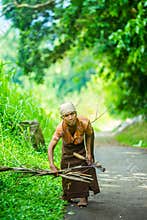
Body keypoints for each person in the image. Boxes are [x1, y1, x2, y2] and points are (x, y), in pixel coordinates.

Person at [48, 102, 100, 207]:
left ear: (76, 113)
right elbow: (51, 146)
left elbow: (90, 135)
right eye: (67, 115)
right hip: (67, 152)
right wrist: (52, 165)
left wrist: (90, 153)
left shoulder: (84, 123)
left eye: (72, 114)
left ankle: (83, 197)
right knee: (66, 170)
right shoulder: (60, 129)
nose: (71, 117)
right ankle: (68, 195)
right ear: (62, 117)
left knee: (84, 168)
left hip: (80, 150)